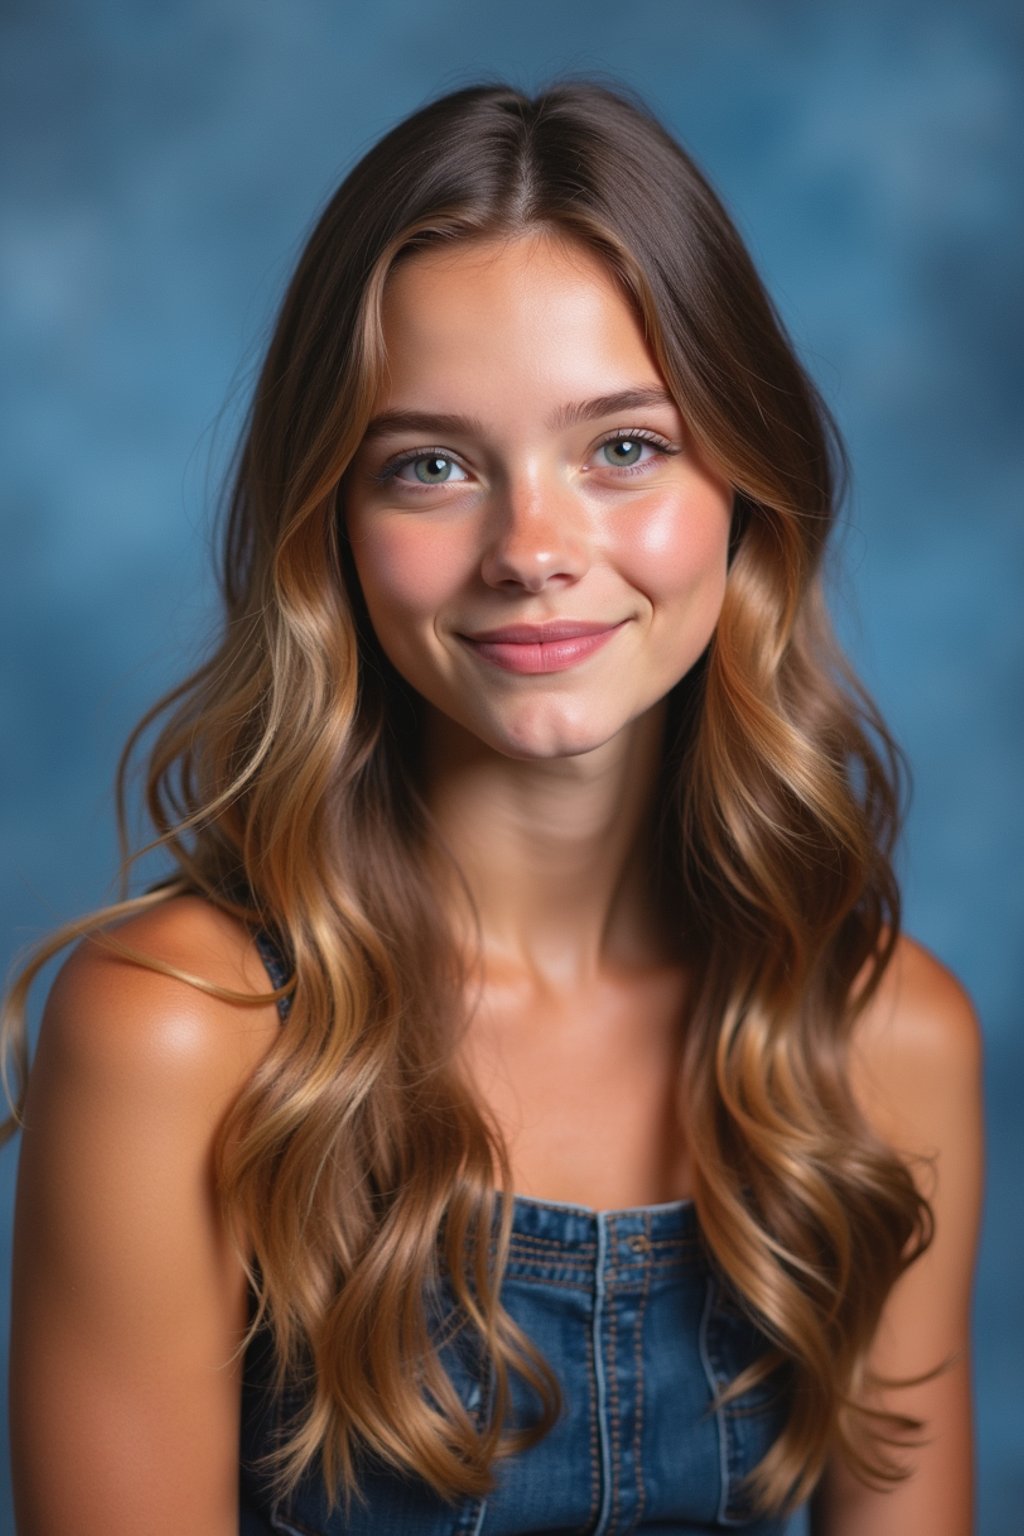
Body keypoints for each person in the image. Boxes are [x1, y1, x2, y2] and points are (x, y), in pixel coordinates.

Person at [4, 82, 982, 1536]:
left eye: (626, 449)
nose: (532, 550)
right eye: (434, 467)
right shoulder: (173, 1034)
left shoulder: (885, 1038)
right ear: (331, 527)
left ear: (745, 490)